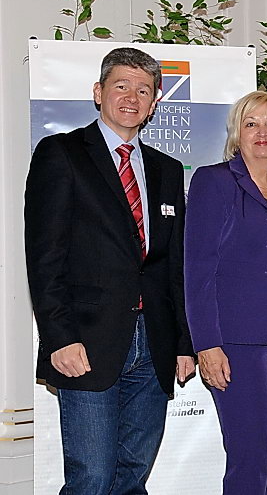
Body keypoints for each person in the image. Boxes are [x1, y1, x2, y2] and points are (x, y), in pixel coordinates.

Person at [24, 47, 195, 493]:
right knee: (93, 478)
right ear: (99, 92)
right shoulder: (61, 153)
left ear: (154, 102)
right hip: (87, 341)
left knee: (132, 475)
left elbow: (173, 265)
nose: (132, 97)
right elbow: (44, 256)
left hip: (154, 344)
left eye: (144, 90)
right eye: (121, 86)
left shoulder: (167, 169)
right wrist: (59, 337)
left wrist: (183, 342)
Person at [184, 91, 267, 494]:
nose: (263, 132)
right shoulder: (214, 182)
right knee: (250, 456)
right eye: (252, 123)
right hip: (237, 341)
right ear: (237, 133)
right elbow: (197, 270)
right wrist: (206, 344)